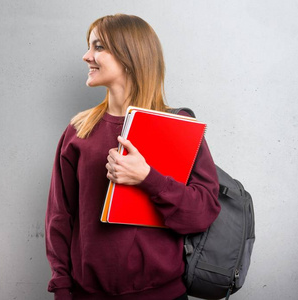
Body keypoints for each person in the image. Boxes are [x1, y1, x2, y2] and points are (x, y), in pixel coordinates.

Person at [45, 14, 221, 300]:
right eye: (90, 47)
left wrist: (148, 179)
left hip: (163, 295)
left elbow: (202, 215)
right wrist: (62, 288)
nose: (86, 56)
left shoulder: (178, 126)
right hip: (86, 294)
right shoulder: (78, 130)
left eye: (99, 47)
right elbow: (59, 218)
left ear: (129, 57)